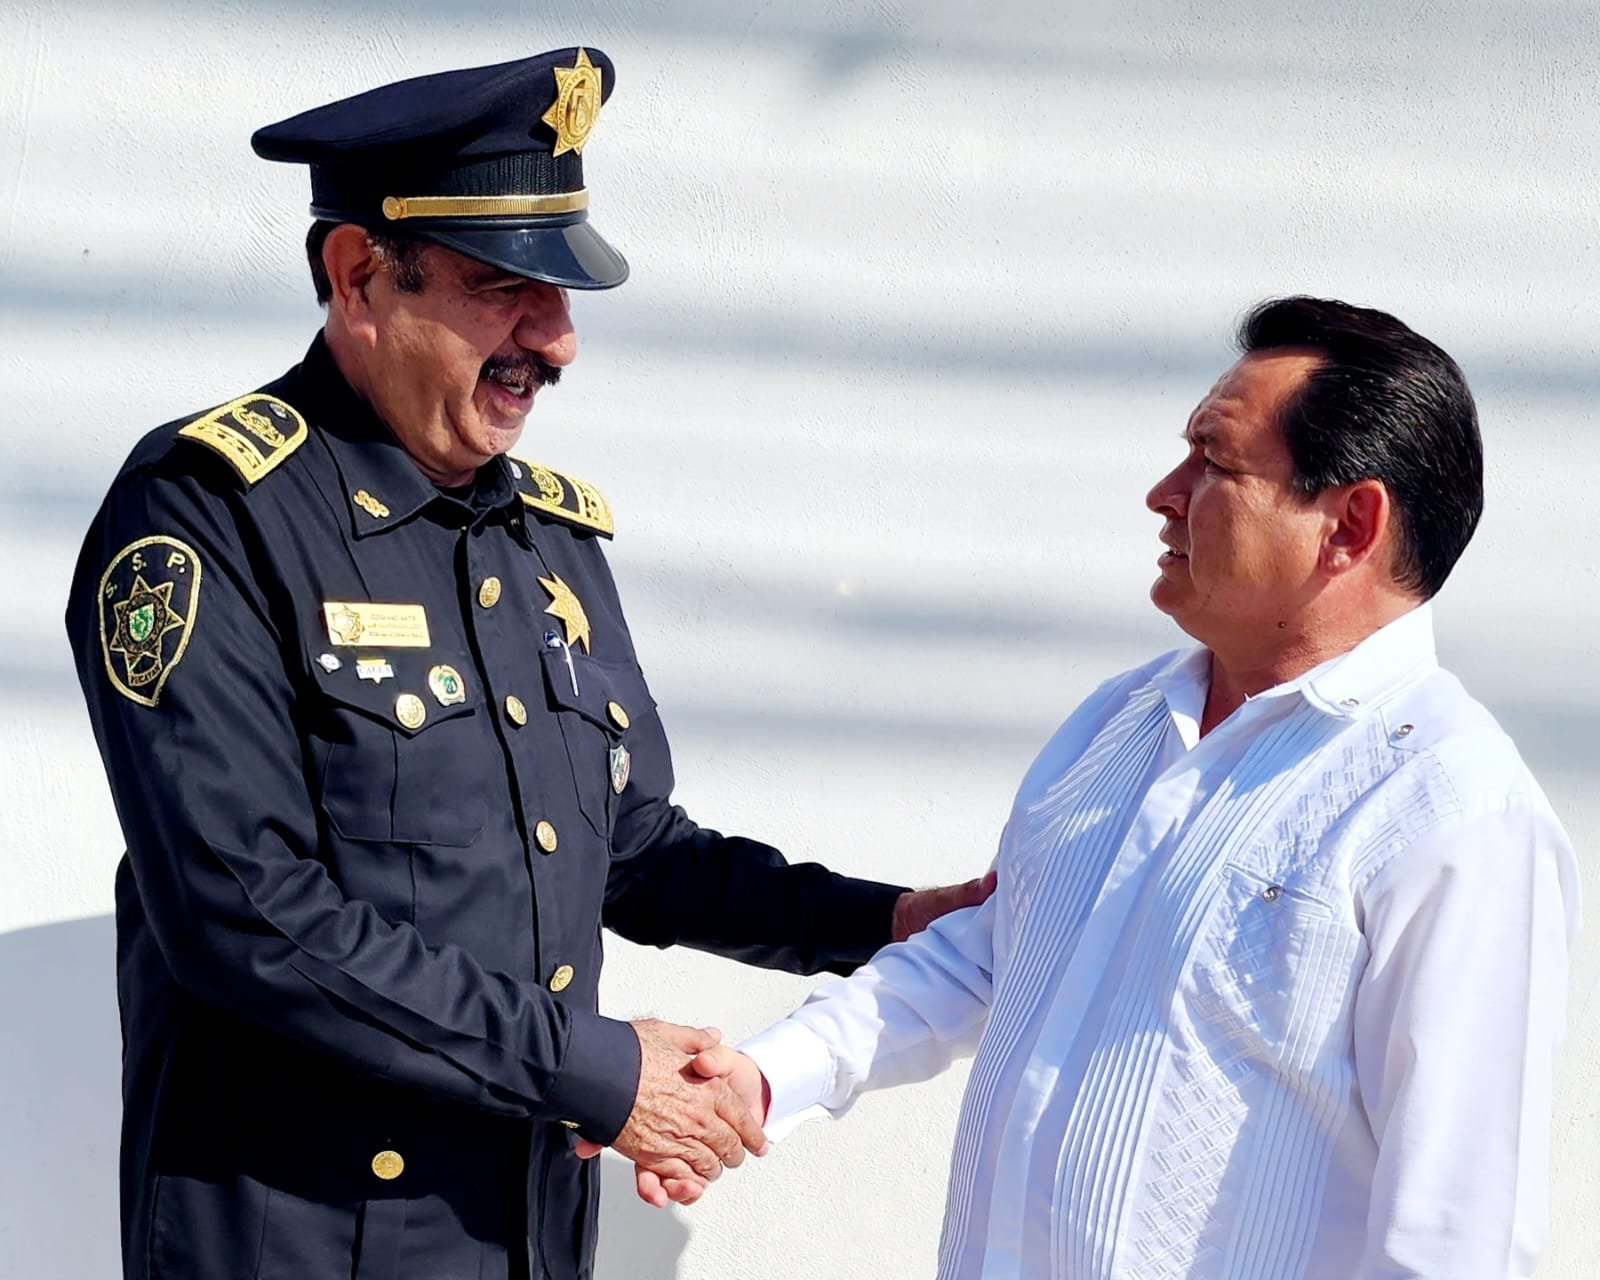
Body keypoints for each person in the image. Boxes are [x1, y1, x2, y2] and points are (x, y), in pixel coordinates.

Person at [63, 48, 991, 1280]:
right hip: (303, 1239)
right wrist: (600, 1070)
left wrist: (882, 920)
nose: (554, 341)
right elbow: (247, 914)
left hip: (521, 1232)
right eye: (505, 285)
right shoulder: (208, 514)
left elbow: (631, 845)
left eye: (561, 295)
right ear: (357, 273)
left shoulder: (541, 532)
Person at [621, 297, 1583, 1279]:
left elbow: (1457, 1232)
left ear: (1352, 523)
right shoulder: (1124, 719)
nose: (1164, 494)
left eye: (1215, 463)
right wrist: (763, 1078)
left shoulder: (1451, 815)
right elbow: (993, 953)